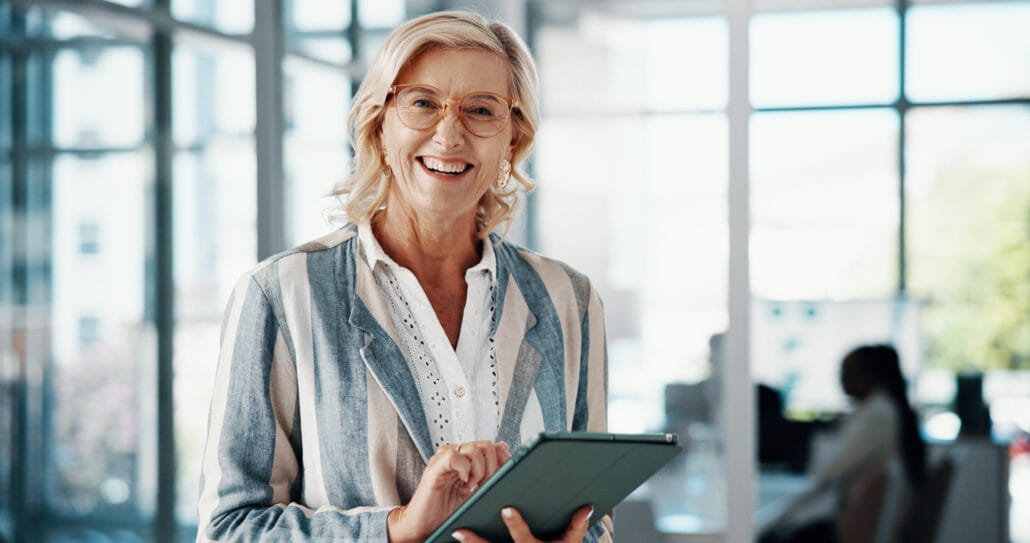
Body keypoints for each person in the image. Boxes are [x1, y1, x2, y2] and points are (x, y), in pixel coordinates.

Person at [196, 11, 611, 543]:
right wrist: (397, 529)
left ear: (511, 139)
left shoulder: (569, 301)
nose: (449, 133)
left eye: (481, 110)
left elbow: (593, 518)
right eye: (422, 102)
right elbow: (228, 529)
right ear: (379, 123)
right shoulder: (282, 294)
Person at [762, 344, 926, 543]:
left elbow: (828, 469)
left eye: (847, 372)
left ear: (870, 375)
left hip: (849, 523)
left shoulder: (877, 415)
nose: (841, 379)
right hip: (852, 517)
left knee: (772, 532)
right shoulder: (876, 410)